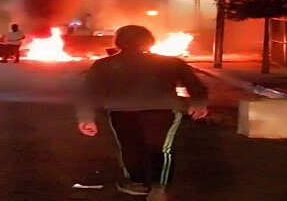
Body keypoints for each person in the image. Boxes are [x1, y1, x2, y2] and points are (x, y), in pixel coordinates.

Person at [76, 25, 208, 201]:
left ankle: (136, 182)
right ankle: (159, 188)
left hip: (121, 111)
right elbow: (196, 86)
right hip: (164, 111)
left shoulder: (104, 64)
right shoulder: (172, 62)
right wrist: (198, 104)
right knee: (163, 149)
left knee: (130, 147)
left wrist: (86, 118)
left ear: (118, 42)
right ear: (149, 41)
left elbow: (89, 92)